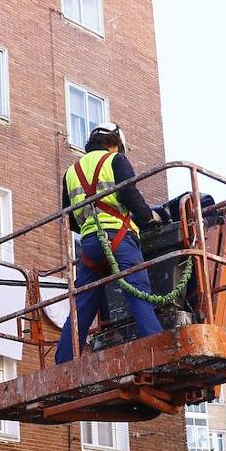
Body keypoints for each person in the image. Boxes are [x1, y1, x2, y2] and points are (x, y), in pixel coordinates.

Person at [55, 122, 163, 364]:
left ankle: (63, 362)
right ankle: (156, 347)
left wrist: (90, 223)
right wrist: (148, 218)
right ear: (116, 144)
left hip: (90, 244)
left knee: (82, 305)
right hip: (118, 238)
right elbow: (130, 194)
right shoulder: (116, 161)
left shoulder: (71, 172)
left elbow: (69, 218)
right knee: (138, 291)